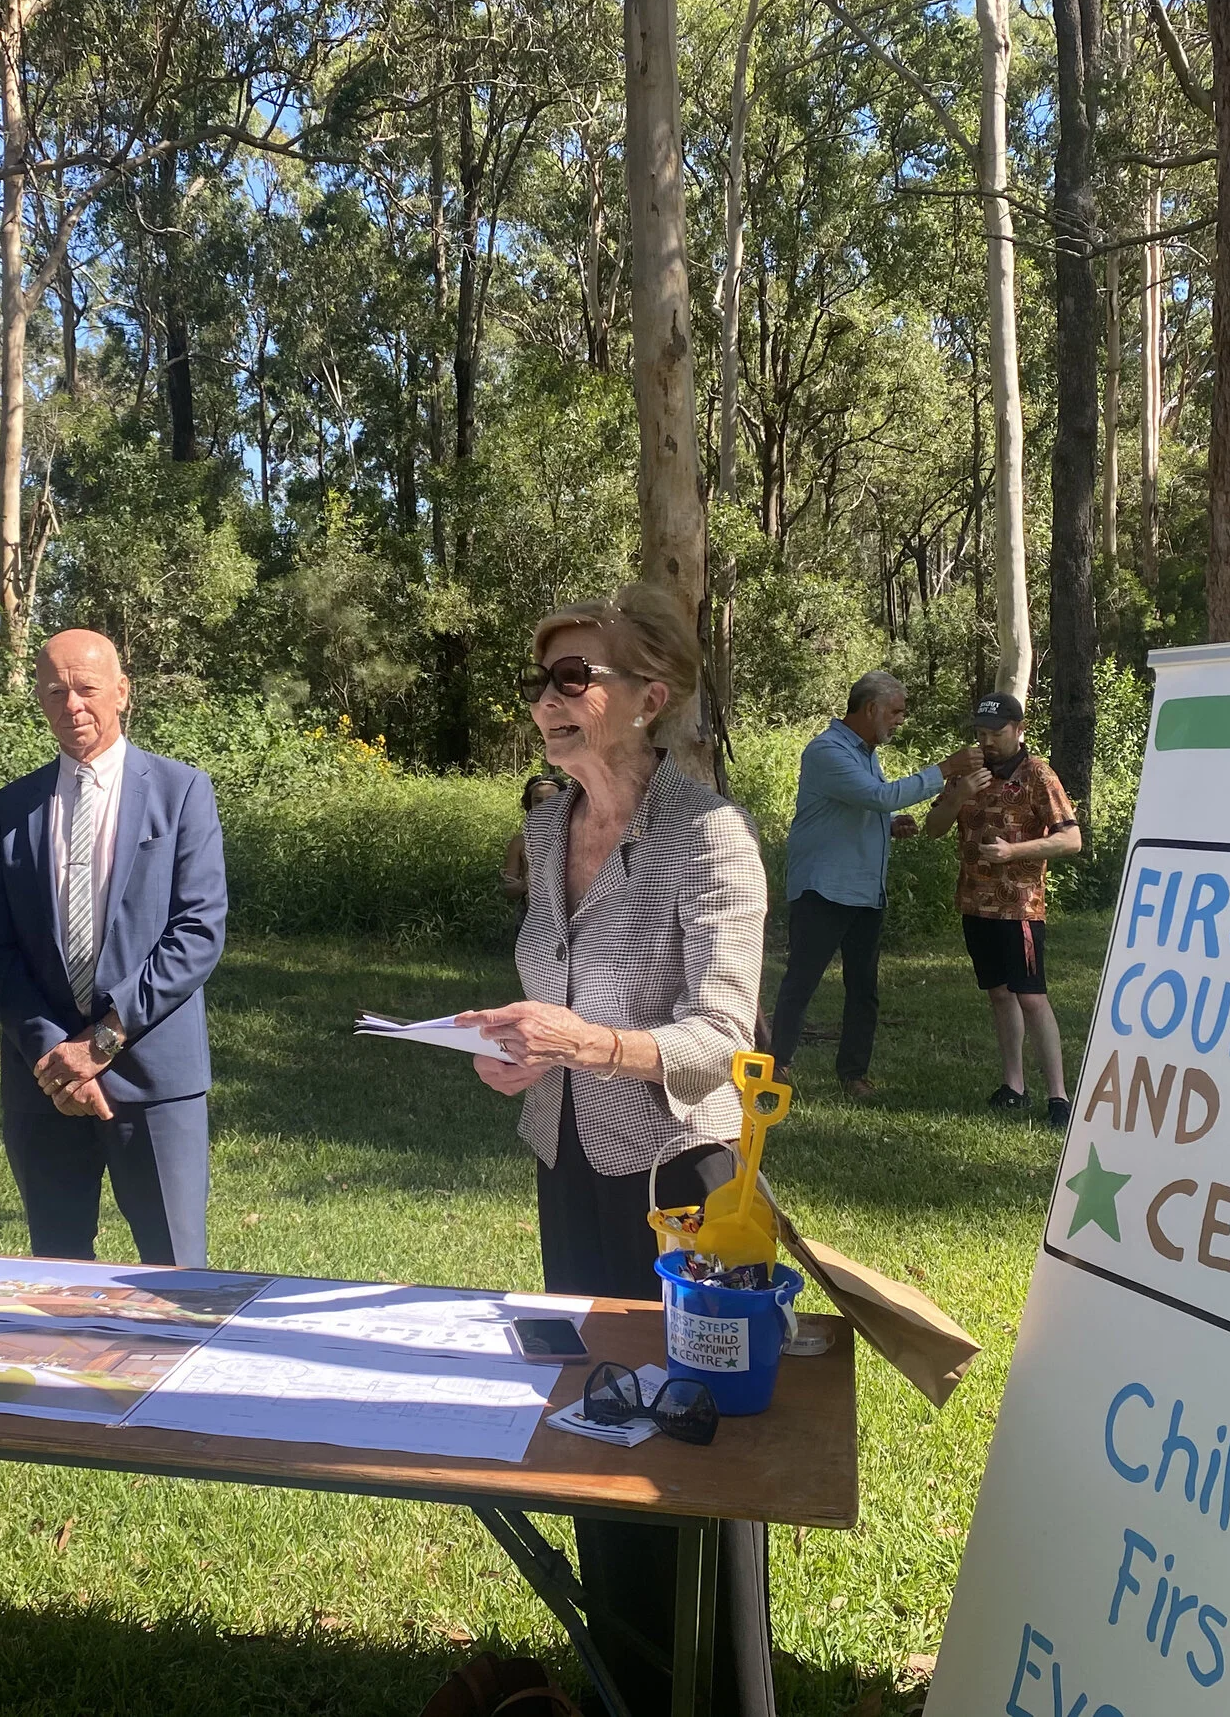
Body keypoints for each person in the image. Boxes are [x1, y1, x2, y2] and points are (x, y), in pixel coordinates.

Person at [458, 584, 777, 1717]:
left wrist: (583, 1042)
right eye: (542, 681)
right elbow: (560, 997)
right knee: (598, 1419)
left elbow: (724, 1039)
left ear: (650, 698)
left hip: (682, 1184)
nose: (548, 700)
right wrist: (519, 1048)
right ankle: (625, 1687)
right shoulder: (546, 825)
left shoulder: (710, 839)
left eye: (571, 678)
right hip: (569, 1161)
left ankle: (720, 1696)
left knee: (689, 1450)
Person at [0, 629, 228, 1268]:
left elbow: (197, 933)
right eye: (55, 691)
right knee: (57, 1275)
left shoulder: (183, 792)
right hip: (46, 1081)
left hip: (153, 1077)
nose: (72, 705)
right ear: (38, 698)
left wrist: (102, 1043)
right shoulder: (10, 809)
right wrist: (52, 1051)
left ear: (122, 692)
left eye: (87, 688)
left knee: (177, 1278)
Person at [769, 672, 983, 1098]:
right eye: (897, 710)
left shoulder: (866, 753)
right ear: (870, 709)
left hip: (865, 889)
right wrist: (944, 769)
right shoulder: (826, 751)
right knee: (802, 981)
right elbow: (877, 796)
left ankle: (853, 1074)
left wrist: (887, 824)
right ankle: (776, 1066)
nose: (901, 719)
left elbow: (863, 806)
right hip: (824, 887)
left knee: (863, 988)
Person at [922, 693, 1083, 1127]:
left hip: (1021, 908)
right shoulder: (966, 771)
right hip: (975, 902)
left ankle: (1059, 1097)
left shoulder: (1037, 775)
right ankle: (1013, 1086)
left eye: (996, 733)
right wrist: (958, 796)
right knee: (998, 994)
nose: (988, 741)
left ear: (1019, 730)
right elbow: (932, 829)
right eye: (981, 733)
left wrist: (1015, 851)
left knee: (1031, 996)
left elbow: (1071, 839)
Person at [499, 772, 566, 900]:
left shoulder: (578, 837)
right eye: (538, 801)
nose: (545, 806)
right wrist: (529, 884)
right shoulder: (520, 843)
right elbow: (508, 890)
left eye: (552, 800)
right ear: (529, 805)